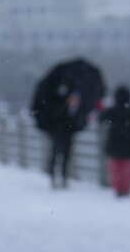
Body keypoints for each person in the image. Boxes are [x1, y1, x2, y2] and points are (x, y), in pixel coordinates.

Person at [31, 58, 106, 189]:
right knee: (58, 151)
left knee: (64, 152)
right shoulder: (58, 97)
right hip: (60, 127)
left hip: (66, 128)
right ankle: (56, 176)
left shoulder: (69, 95)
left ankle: (62, 177)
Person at [99, 85, 130, 197]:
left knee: (115, 167)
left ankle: (117, 188)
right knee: (126, 168)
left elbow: (100, 118)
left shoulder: (111, 110)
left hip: (113, 143)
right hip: (127, 144)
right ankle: (125, 189)